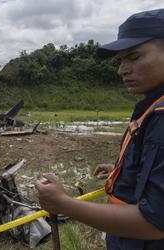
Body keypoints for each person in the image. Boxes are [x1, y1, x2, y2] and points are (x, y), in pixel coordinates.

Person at [35, 9, 164, 249]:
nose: (122, 70)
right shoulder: (152, 106)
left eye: (134, 57)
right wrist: (123, 170)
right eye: (120, 60)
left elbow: (154, 223)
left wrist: (64, 204)